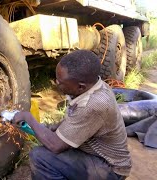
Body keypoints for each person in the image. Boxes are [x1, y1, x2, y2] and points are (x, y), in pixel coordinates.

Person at [13, 50, 131, 180]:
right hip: (96, 156)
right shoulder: (92, 86)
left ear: (80, 87)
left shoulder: (93, 105)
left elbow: (56, 146)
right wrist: (50, 128)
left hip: (110, 168)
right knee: (47, 142)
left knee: (40, 157)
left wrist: (29, 118)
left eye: (60, 82)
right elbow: (73, 120)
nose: (56, 83)